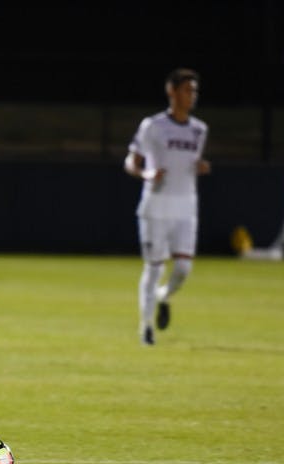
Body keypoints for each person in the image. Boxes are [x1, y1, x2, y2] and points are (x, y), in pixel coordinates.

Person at [123, 68, 211, 345]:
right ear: (171, 92)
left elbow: (189, 162)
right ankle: (146, 327)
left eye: (194, 91)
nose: (192, 96)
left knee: (183, 268)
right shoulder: (153, 126)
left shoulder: (199, 130)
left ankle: (162, 297)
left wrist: (200, 167)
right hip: (156, 205)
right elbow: (131, 161)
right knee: (154, 267)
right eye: (187, 90)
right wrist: (146, 174)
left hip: (186, 207)